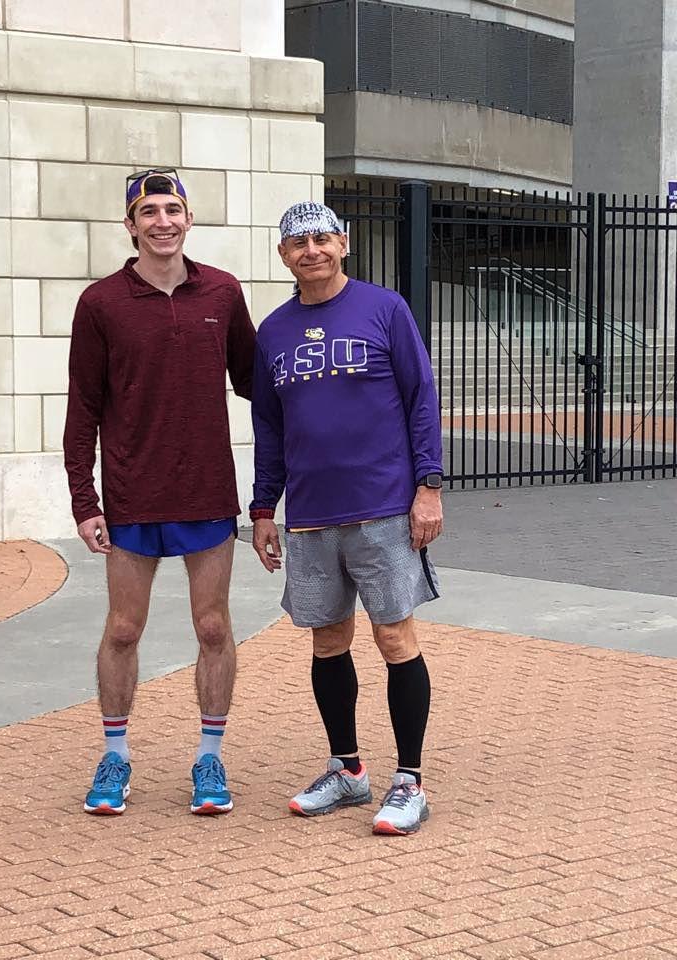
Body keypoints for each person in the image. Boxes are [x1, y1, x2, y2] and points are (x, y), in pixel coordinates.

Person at [63, 168, 255, 816]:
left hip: (206, 492)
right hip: (131, 493)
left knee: (211, 626)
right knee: (122, 628)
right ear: (131, 225)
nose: (163, 222)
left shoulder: (224, 294)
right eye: (150, 212)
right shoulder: (100, 304)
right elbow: (82, 408)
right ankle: (115, 757)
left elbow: (260, 383)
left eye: (173, 209)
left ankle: (209, 758)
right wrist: (83, 502)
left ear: (189, 218)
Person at [250, 201, 444, 835]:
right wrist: (262, 506)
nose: (311, 250)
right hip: (309, 515)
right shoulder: (273, 332)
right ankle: (348, 770)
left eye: (322, 238)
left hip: (383, 507)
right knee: (328, 641)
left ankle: (409, 780)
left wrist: (428, 486)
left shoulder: (384, 308)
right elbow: (269, 427)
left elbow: (421, 397)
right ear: (283, 256)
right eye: (297, 241)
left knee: (394, 639)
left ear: (344, 244)